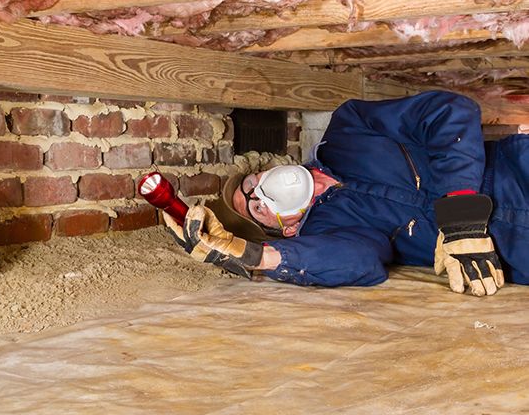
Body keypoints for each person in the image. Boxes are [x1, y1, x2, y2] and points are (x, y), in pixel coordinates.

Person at [163, 90, 529, 297]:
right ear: (287, 229)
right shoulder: (331, 232)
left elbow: (450, 112)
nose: (261, 192)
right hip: (515, 253)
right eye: (256, 207)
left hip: (518, 171)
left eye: (251, 184)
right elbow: (360, 264)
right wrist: (255, 256)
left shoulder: (348, 128)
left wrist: (461, 215)